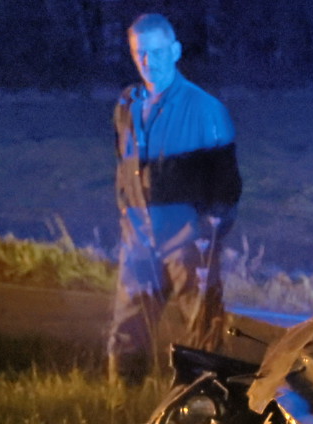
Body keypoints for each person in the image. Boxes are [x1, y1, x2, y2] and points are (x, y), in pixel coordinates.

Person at [107, 13, 242, 382]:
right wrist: (128, 215)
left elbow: (227, 187)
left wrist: (205, 238)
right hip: (139, 239)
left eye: (158, 51)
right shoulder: (127, 105)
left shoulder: (205, 110)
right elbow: (125, 167)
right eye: (140, 53)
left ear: (176, 51)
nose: (149, 62)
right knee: (127, 332)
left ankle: (202, 414)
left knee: (203, 336)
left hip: (188, 243)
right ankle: (120, 408)